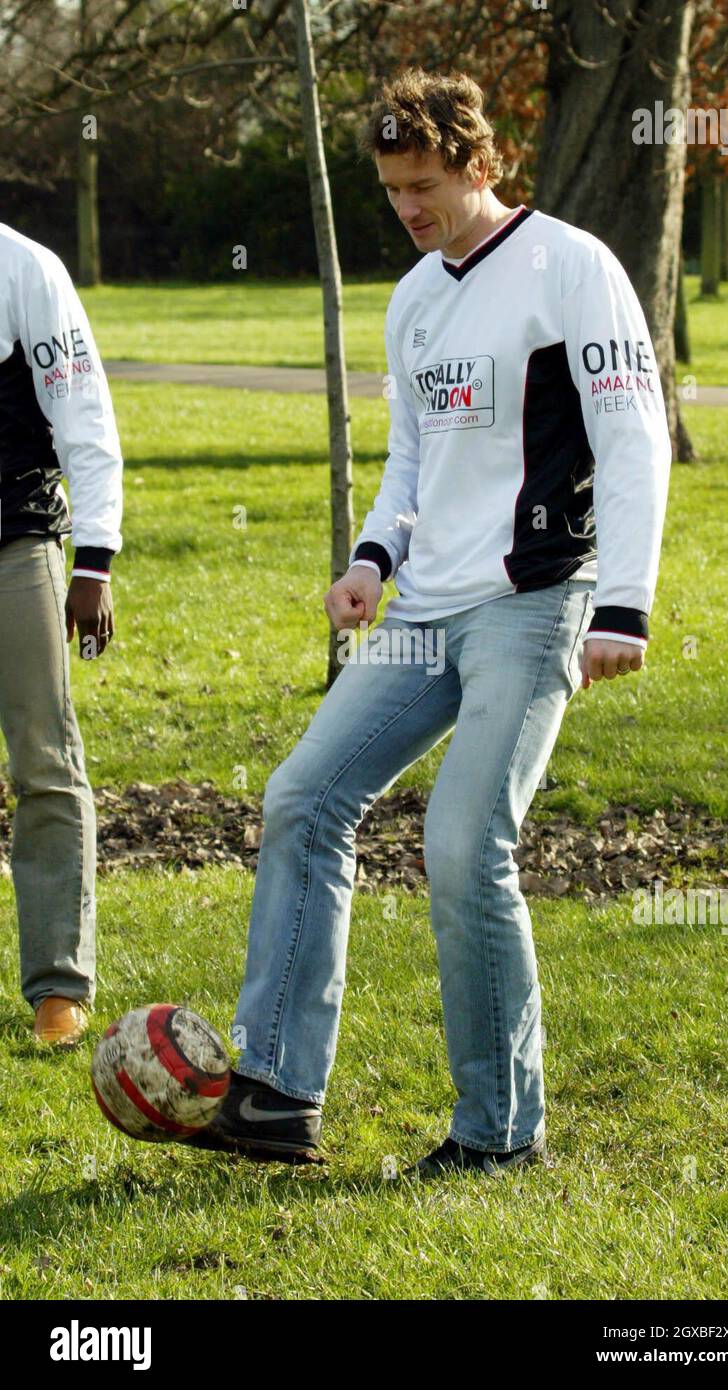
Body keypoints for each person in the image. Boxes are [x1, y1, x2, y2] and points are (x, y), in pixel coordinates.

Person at [183, 69, 671, 1177]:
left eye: (426, 184)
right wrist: (372, 559)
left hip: (532, 603)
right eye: (393, 188)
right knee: (304, 794)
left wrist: (626, 603)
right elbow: (411, 458)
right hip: (422, 612)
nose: (409, 207)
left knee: (461, 844)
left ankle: (498, 1133)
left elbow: (632, 435)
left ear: (481, 162)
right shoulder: (414, 298)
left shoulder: (569, 268)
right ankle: (274, 1091)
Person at [0, 223, 123, 1047]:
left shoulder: (25, 268)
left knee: (44, 762)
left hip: (17, 541)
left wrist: (95, 561)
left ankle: (57, 988)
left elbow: (82, 410)